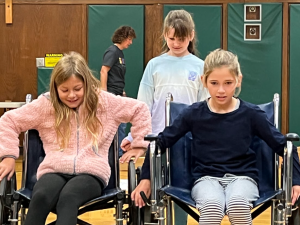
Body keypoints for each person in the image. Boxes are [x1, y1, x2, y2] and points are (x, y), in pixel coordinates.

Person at [140, 48, 300, 224]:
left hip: (243, 178)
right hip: (205, 179)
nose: (221, 90)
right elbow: (161, 142)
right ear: (204, 81)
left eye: (228, 83)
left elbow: (284, 146)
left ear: (238, 81)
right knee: (212, 206)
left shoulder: (252, 114)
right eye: (214, 83)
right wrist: (146, 178)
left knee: (238, 204)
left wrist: (296, 181)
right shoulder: (193, 114)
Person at [0, 51, 151, 225]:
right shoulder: (46, 105)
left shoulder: (104, 102)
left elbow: (140, 109)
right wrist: (9, 156)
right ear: (56, 88)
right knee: (40, 197)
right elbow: (9, 120)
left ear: (86, 84)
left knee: (69, 198)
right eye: (64, 90)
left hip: (91, 172)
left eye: (77, 89)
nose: (71, 95)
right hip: (54, 169)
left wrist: (139, 144)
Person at [120, 9, 208, 225]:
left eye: (181, 39)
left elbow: (204, 108)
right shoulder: (154, 65)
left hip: (188, 142)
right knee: (152, 186)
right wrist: (134, 137)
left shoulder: (200, 66)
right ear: (164, 36)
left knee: (180, 189)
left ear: (191, 35)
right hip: (157, 139)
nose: (176, 43)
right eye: (171, 38)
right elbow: (143, 106)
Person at [100, 25, 136, 157]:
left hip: (119, 93)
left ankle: (119, 152)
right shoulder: (112, 51)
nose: (130, 43)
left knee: (121, 124)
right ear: (123, 37)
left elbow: (117, 75)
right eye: (129, 39)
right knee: (118, 125)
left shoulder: (120, 53)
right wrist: (104, 92)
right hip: (110, 93)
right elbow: (104, 70)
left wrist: (123, 91)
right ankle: (118, 153)